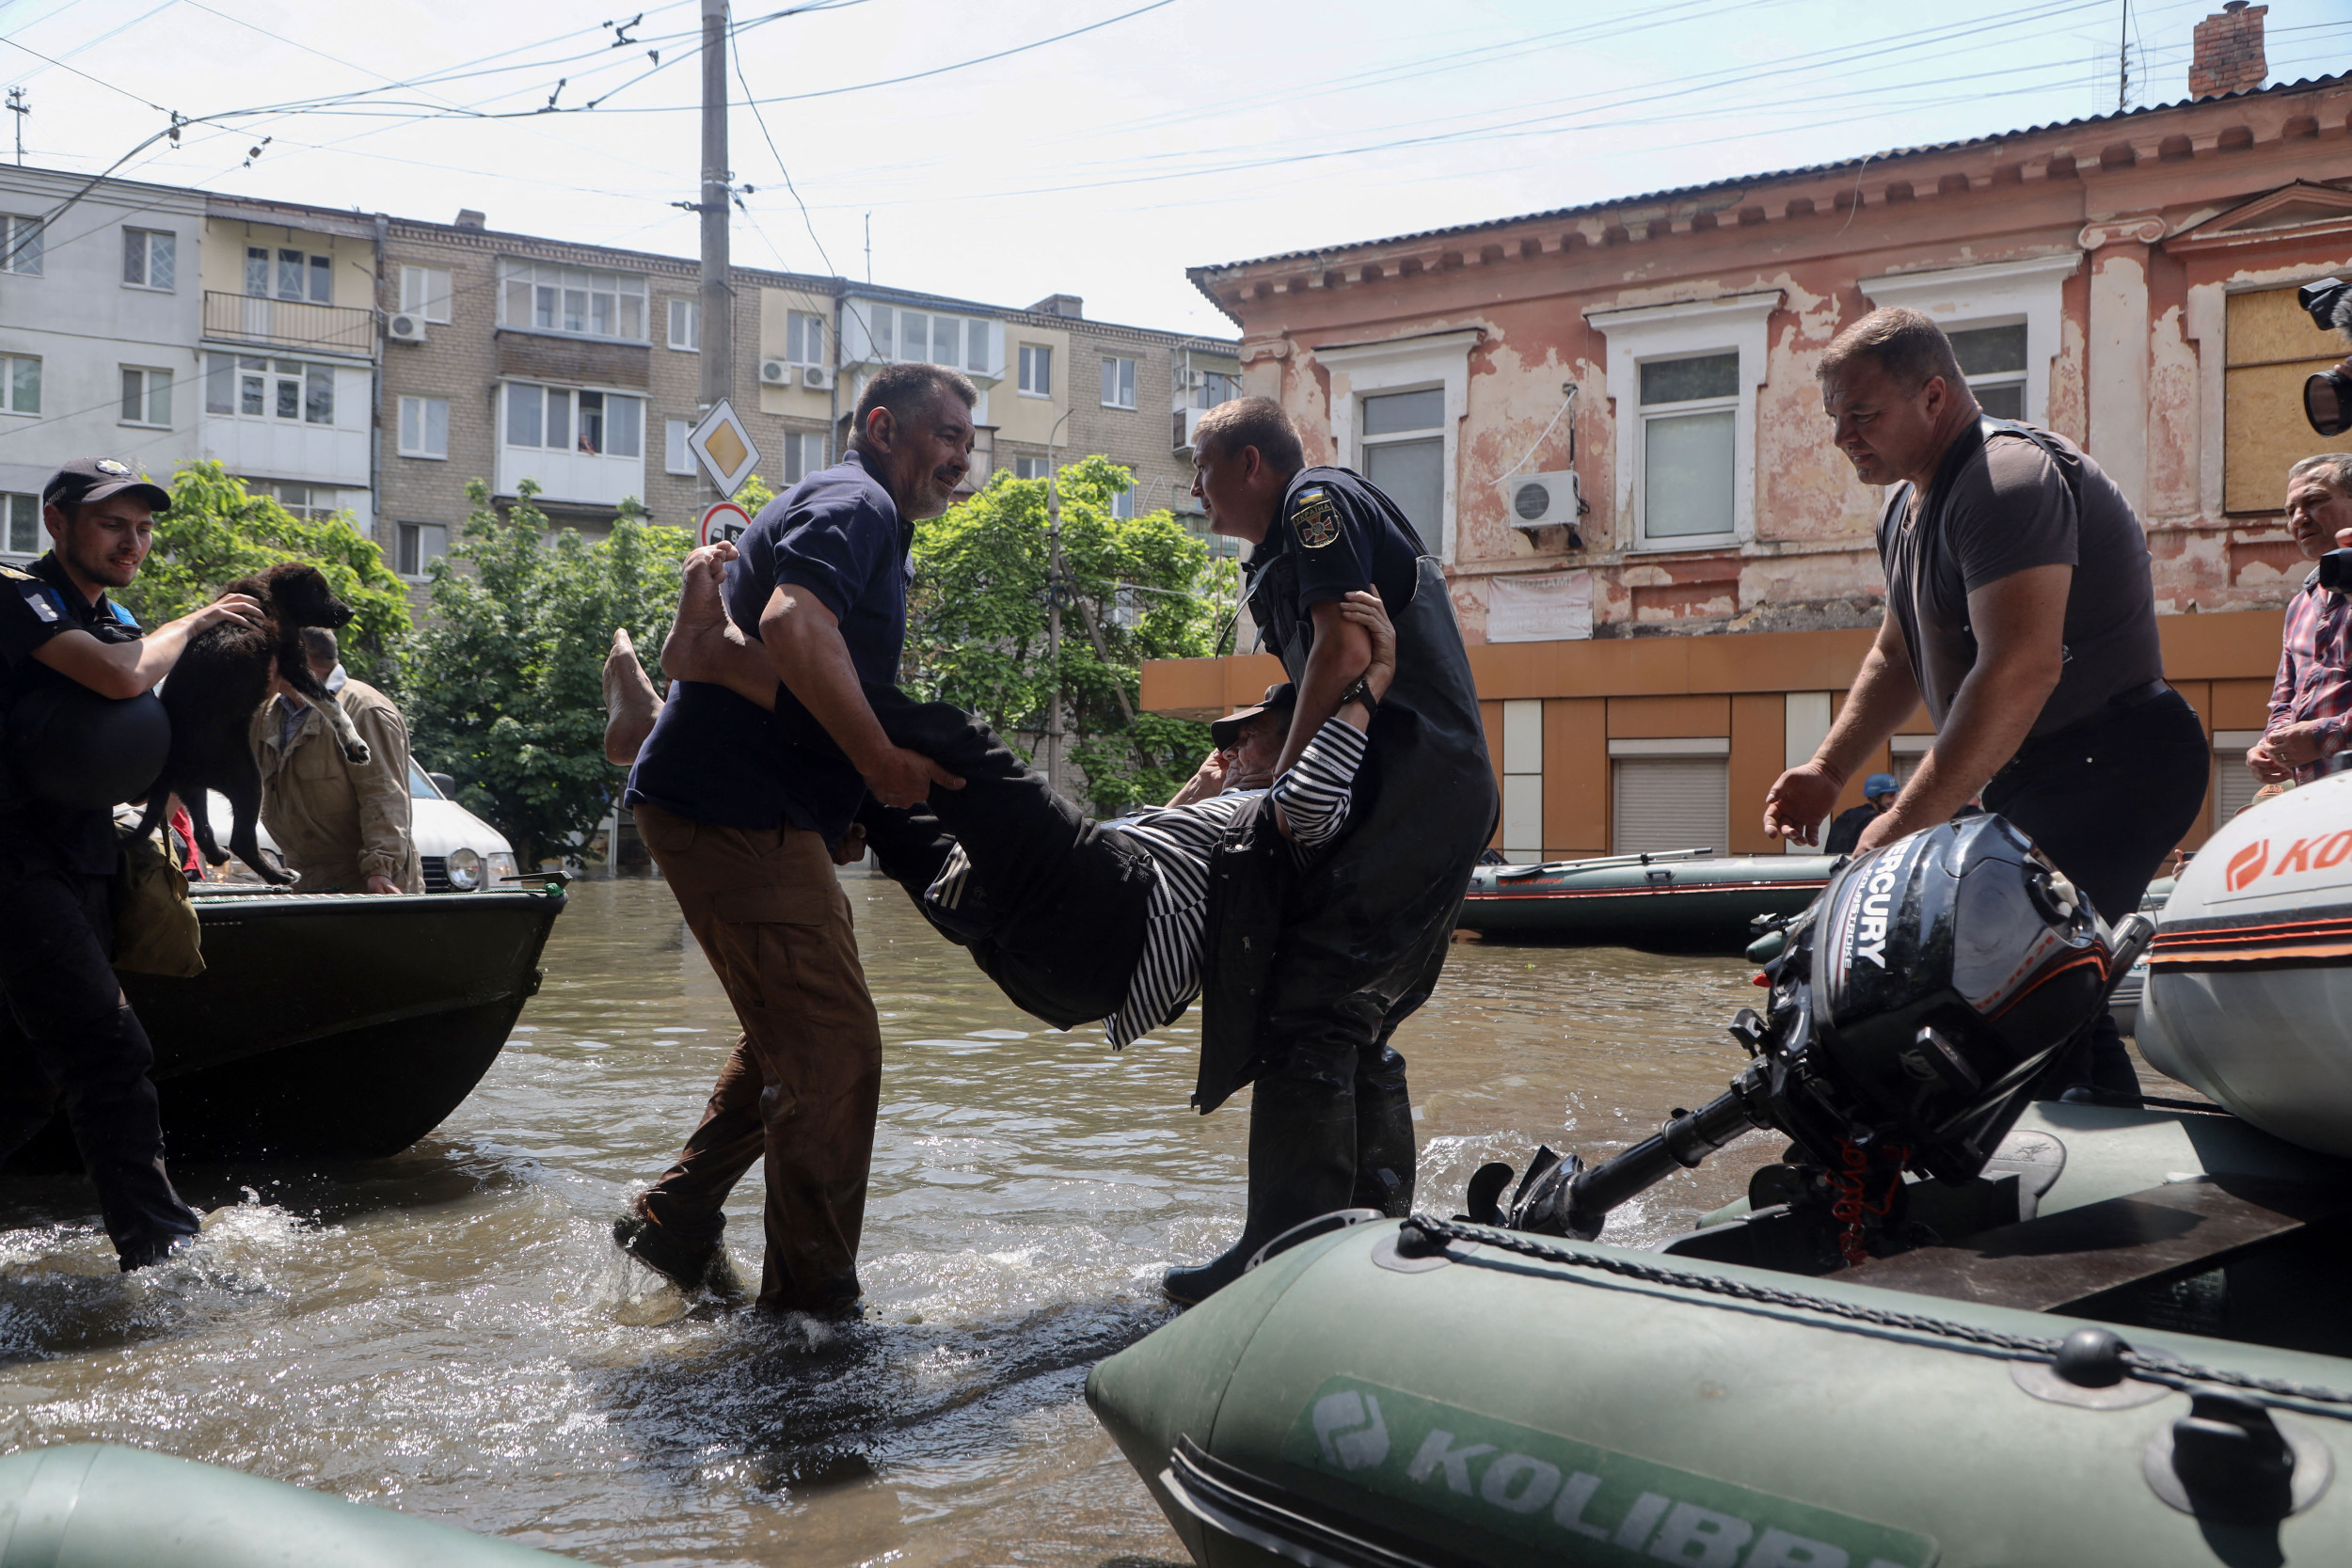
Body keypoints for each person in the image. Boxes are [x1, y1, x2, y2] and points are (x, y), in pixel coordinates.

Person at [603, 548, 1401, 1072]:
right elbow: (1197, 862)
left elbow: (1308, 797)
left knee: (949, 737)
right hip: (1048, 970)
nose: (1233, 750)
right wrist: (1195, 794)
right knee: (878, 788)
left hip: (1108, 924)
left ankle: (713, 657)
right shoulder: (1229, 830)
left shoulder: (1303, 807)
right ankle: (656, 739)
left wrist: (1369, 685)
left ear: (1292, 735)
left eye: (1249, 738)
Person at [1762, 308, 2208, 1099]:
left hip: (2120, 758)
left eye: (1863, 415)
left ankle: (2075, 1155)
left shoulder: (2006, 480)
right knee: (2042, 973)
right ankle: (2094, 1136)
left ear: (1934, 396)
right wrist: (1829, 771)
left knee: (2002, 958)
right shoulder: (1904, 509)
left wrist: (1901, 825)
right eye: (1836, 418)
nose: (1843, 438)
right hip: (2042, 767)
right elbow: (1898, 654)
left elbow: (2020, 671)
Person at [613, 363, 975, 1318]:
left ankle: (677, 1217)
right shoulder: (856, 502)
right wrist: (883, 761)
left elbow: (803, 665)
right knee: (834, 1050)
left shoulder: (863, 516)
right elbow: (790, 620)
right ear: (885, 426)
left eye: (969, 446)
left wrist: (843, 796)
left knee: (791, 1037)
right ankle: (811, 1321)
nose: (960, 460)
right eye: (946, 437)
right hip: (733, 809)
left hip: (746, 805)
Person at [1172, 397, 1496, 1303]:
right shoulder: (1291, 535)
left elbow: (1348, 646)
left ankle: (1284, 1263)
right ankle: (1372, 1237)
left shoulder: (1313, 501)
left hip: (1413, 789)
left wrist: (1283, 786)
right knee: (1358, 1014)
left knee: (1309, 1009)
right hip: (1420, 791)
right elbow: (1323, 661)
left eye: (1201, 470)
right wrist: (1252, 747)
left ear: (1249, 464)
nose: (1195, 491)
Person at [0, 458, 263, 1270]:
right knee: (108, 1048)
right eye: (114, 523)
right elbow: (121, 678)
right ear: (57, 521)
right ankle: (163, 1254)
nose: (133, 541)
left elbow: (136, 729)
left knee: (31, 1074)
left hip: (84, 855)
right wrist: (199, 618)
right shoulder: (15, 595)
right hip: (11, 859)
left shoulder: (113, 617)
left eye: (144, 527)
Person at [248, 626, 421, 894]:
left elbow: (384, 794)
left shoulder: (363, 710)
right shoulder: (269, 712)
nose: (255, 662)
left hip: (367, 882)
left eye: (266, 653)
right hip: (303, 877)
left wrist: (380, 869)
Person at [2248, 453, 2352, 788]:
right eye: (2290, 510)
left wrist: (2322, 738)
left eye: (2315, 501)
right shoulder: (2302, 604)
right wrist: (2271, 746)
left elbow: (2317, 736)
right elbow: (2284, 700)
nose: (2299, 519)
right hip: (2317, 811)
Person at [1822, 771, 1899, 857]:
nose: (1895, 799)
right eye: (1891, 795)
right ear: (1876, 796)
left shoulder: (1845, 816)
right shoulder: (1874, 821)